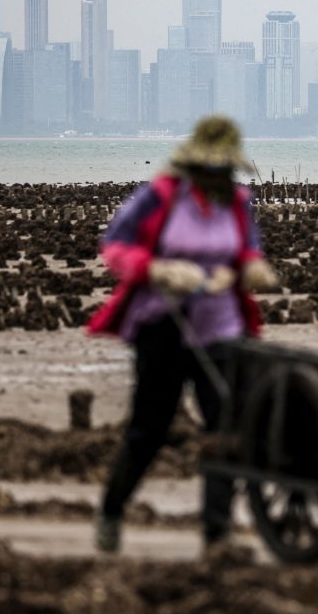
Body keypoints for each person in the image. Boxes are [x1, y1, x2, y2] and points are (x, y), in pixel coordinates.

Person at [87, 115, 278, 553]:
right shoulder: (159, 198)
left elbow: (248, 248)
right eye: (210, 172)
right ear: (193, 169)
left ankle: (217, 533)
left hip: (222, 329)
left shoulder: (238, 202)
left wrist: (253, 267)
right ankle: (112, 511)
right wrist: (154, 269)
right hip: (163, 327)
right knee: (149, 429)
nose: (218, 180)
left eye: (223, 172)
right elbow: (115, 246)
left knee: (225, 429)